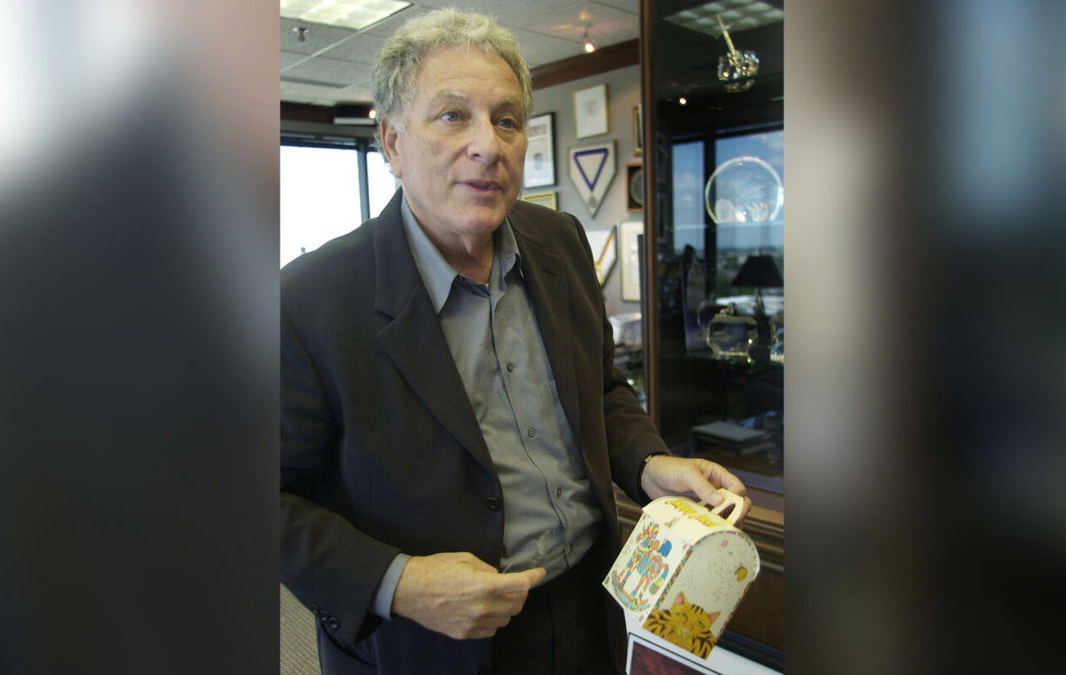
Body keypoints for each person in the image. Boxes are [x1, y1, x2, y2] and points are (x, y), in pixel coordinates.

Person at [280, 9, 750, 674]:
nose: (487, 145)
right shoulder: (306, 301)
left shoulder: (558, 241)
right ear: (390, 140)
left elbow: (601, 387)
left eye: (506, 119)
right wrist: (399, 581)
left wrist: (648, 464)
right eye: (452, 116)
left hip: (592, 605)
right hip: (430, 645)